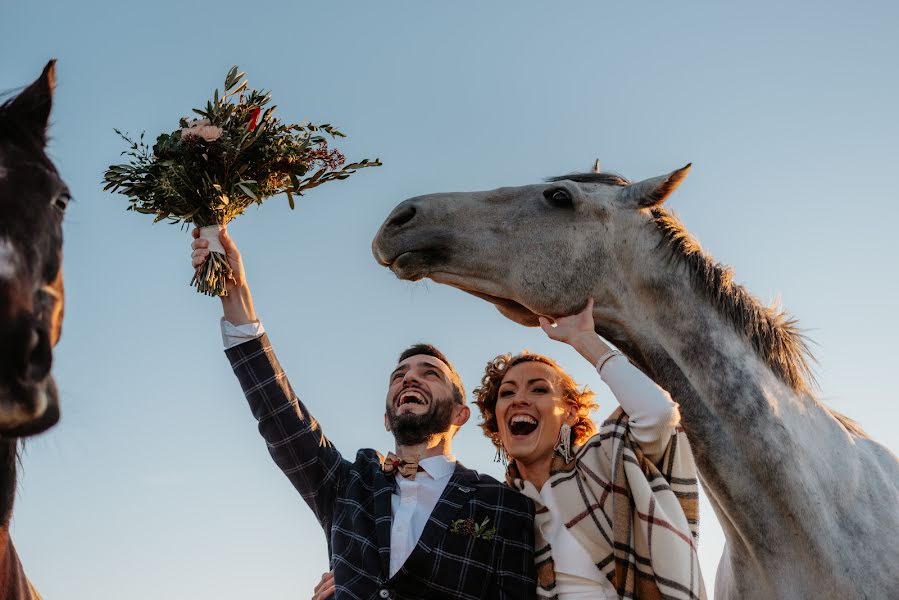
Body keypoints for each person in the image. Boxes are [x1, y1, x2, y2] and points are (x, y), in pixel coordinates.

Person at [191, 228, 536, 600]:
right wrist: (235, 294)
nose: (410, 380)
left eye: (429, 374)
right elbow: (279, 415)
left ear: (459, 414)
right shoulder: (347, 485)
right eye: (399, 376)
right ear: (388, 418)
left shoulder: (503, 504)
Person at [472, 298, 706, 599]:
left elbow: (658, 414)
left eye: (539, 389)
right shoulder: (499, 505)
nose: (519, 399)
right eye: (507, 392)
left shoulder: (606, 460)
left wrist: (584, 339)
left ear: (569, 413)